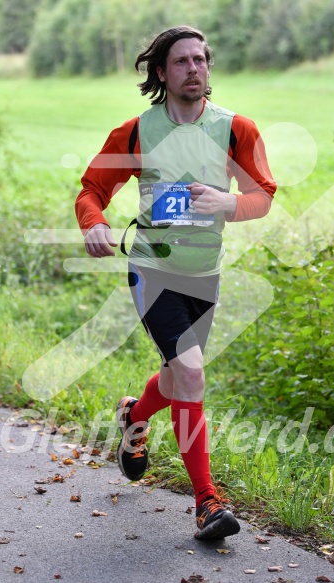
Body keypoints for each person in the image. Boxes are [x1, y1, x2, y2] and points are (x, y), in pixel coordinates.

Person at [75, 25, 276, 541]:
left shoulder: (237, 130)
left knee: (174, 378)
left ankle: (133, 415)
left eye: (201, 60)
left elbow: (262, 197)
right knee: (191, 374)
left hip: (204, 275)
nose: (195, 69)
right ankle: (207, 503)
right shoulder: (137, 132)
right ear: (162, 73)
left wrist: (227, 203)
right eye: (183, 62)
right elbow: (93, 189)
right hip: (152, 270)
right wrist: (94, 224)